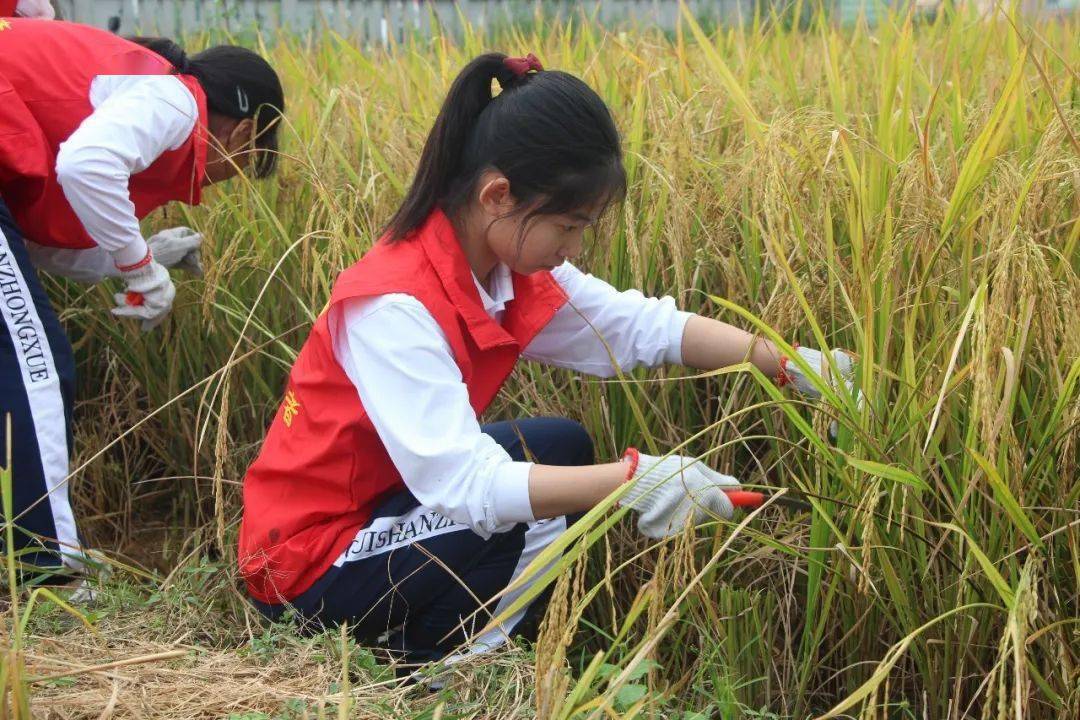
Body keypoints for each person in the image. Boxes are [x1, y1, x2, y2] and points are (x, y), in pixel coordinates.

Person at [239, 52, 851, 672]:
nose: (574, 249)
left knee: (558, 445)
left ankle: (466, 643)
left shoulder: (503, 271)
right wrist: (635, 481)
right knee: (506, 511)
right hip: (306, 561)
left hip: (387, 507)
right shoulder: (394, 306)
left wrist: (793, 365)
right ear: (498, 195)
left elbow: (638, 327)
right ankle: (445, 672)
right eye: (568, 225)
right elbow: (468, 488)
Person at [0, 19, 285, 580]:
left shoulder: (138, 89)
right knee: (37, 364)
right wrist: (143, 273)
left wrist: (142, 255)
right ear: (244, 134)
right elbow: (86, 165)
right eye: (246, 164)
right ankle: (44, 566)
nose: (223, 181)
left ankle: (37, 550)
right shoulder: (176, 100)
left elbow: (34, 243)